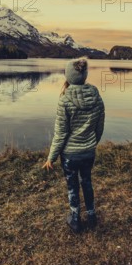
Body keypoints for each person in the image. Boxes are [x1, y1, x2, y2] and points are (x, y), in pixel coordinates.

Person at [42, 56, 105, 233]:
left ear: (68, 76)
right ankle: (92, 217)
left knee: (72, 186)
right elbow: (99, 126)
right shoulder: (96, 96)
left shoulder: (64, 100)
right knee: (87, 182)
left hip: (70, 154)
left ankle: (75, 219)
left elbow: (61, 133)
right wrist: (92, 143)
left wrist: (51, 157)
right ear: (84, 75)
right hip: (88, 152)